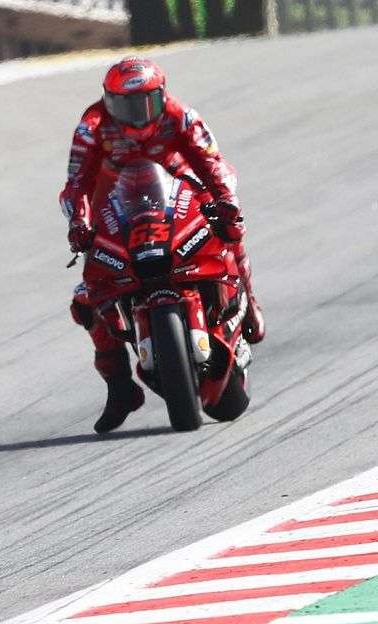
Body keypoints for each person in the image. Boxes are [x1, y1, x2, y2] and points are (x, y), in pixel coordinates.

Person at [60, 56, 265, 433]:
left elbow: (212, 162)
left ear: (161, 96)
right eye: (124, 105)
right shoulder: (91, 127)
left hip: (180, 185)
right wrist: (79, 221)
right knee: (85, 296)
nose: (135, 115)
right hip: (117, 200)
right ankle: (120, 385)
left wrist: (225, 201)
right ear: (108, 101)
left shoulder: (181, 116)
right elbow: (76, 183)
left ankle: (249, 305)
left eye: (144, 103)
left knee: (230, 230)